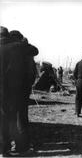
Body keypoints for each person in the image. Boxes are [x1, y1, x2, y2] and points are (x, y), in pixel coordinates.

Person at [0, 27, 38, 156]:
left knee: (3, 119)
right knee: (19, 117)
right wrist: (24, 42)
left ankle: (3, 150)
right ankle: (22, 147)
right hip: (14, 91)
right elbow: (35, 50)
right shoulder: (17, 47)